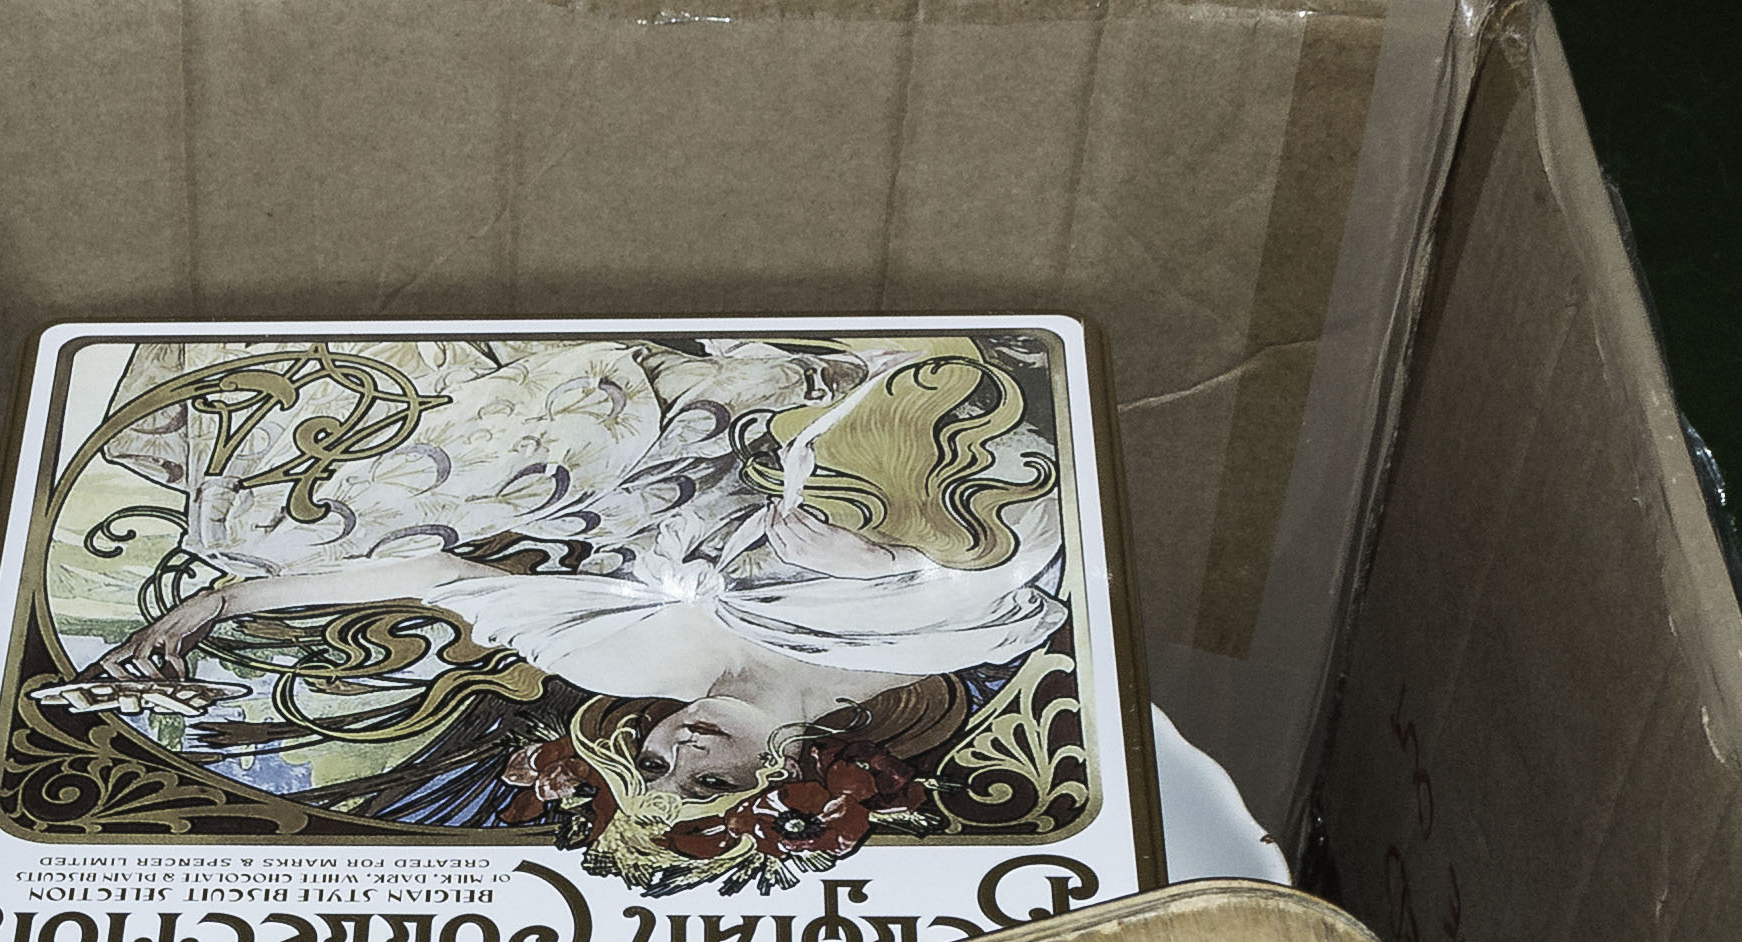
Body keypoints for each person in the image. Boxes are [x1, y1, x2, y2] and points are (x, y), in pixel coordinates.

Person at [69, 333, 1072, 890]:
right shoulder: (952, 638)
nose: (677, 749)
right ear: (782, 777)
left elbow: (444, 580)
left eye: (651, 766)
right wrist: (881, 547)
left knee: (251, 528)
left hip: (726, 450)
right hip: (866, 462)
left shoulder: (631, 667)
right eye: (704, 777)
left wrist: (226, 599)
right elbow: (1025, 567)